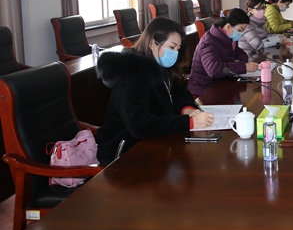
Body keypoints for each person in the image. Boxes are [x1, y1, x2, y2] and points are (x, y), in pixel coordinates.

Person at [96, 17, 215, 164]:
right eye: (171, 47)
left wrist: (187, 108)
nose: (175, 53)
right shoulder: (131, 76)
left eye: (178, 49)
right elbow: (139, 126)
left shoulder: (160, 66)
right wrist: (188, 122)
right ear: (153, 43)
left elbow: (178, 91)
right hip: (125, 155)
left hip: (154, 144)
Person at [187, 9, 259, 97]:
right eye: (240, 30)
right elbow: (213, 70)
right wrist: (243, 67)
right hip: (205, 90)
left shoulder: (229, 38)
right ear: (228, 26)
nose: (241, 34)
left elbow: (241, 54)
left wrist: (238, 62)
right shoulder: (209, 42)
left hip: (221, 84)